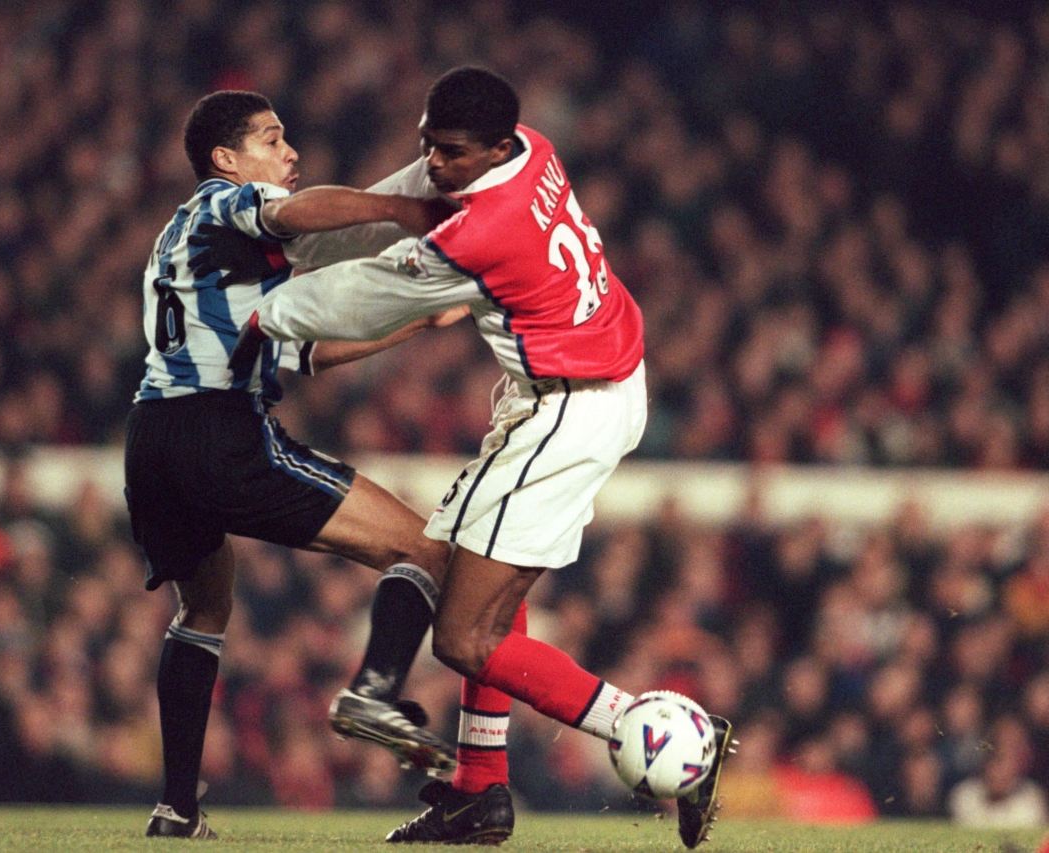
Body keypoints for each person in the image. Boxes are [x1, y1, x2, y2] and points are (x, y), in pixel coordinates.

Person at [229, 66, 735, 848]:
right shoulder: (527, 149)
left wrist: (256, 312)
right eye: (429, 142)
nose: (436, 162)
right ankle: (479, 794)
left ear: (494, 145)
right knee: (475, 578)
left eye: (453, 152)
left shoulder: (483, 228)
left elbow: (368, 294)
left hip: (570, 406)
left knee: (465, 636)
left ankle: (667, 738)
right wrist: (290, 244)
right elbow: (401, 202)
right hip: (574, 386)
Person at [125, 89, 467, 839]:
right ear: (225, 158)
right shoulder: (222, 204)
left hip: (151, 438)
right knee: (428, 548)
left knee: (204, 610)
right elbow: (291, 210)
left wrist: (409, 322)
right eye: (273, 139)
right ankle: (375, 692)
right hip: (218, 429)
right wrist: (404, 212)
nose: (291, 155)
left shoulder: (194, 247)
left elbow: (301, 351)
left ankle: (176, 807)